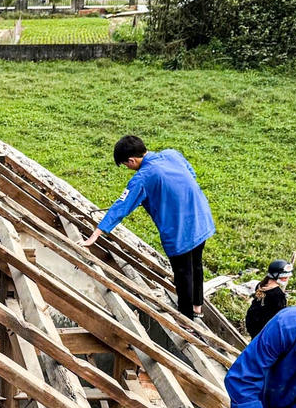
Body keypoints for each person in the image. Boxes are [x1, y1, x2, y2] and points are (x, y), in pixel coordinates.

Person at [82, 135, 215, 319]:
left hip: (179, 230)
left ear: (132, 160)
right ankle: (197, 307)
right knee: (196, 265)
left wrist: (96, 234)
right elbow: (191, 174)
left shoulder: (143, 177)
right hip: (201, 219)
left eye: (126, 165)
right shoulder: (172, 155)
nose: (128, 168)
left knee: (183, 273)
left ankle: (186, 319)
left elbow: (122, 205)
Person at [245, 258, 293, 338]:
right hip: (263, 328)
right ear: (277, 276)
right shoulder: (278, 294)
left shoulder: (260, 285)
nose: (286, 279)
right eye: (284, 277)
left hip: (251, 321)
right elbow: (279, 317)